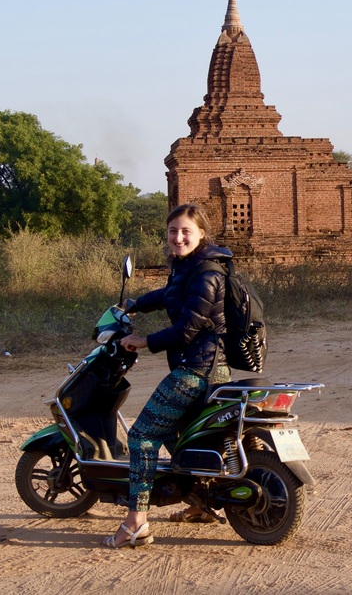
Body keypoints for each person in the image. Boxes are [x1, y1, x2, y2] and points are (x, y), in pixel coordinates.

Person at [102, 202, 231, 548]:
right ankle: (204, 504)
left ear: (201, 233)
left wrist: (141, 341)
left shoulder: (208, 273)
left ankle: (136, 522)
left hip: (198, 369)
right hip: (202, 365)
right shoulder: (188, 266)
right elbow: (170, 295)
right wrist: (135, 304)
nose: (178, 237)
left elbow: (187, 329)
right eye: (173, 231)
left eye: (186, 231)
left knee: (142, 436)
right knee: (178, 437)